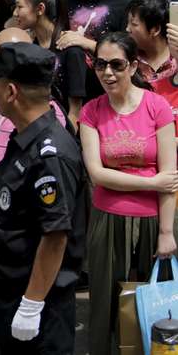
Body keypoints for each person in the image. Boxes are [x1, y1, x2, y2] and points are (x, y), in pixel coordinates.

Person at [0, 42, 86, 354]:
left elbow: (55, 234)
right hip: (8, 291)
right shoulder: (26, 138)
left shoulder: (50, 154)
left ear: (11, 92)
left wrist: (31, 305)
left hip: (36, 303)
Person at [80, 31, 177, 355]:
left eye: (117, 65)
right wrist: (151, 183)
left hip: (153, 221)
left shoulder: (157, 106)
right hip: (107, 219)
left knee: (157, 307)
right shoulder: (91, 112)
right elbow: (97, 174)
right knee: (104, 304)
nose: (108, 72)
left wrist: (166, 232)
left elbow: (170, 175)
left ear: (134, 66)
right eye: (100, 64)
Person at [13, 0, 87, 126]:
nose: (15, 13)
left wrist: (62, 141)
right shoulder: (29, 48)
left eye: (19, 6)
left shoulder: (71, 51)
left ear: (40, 9)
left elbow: (75, 111)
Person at [126, 0, 176, 83]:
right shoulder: (127, 58)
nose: (127, 29)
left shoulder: (175, 58)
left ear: (155, 29)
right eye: (128, 23)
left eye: (134, 24)